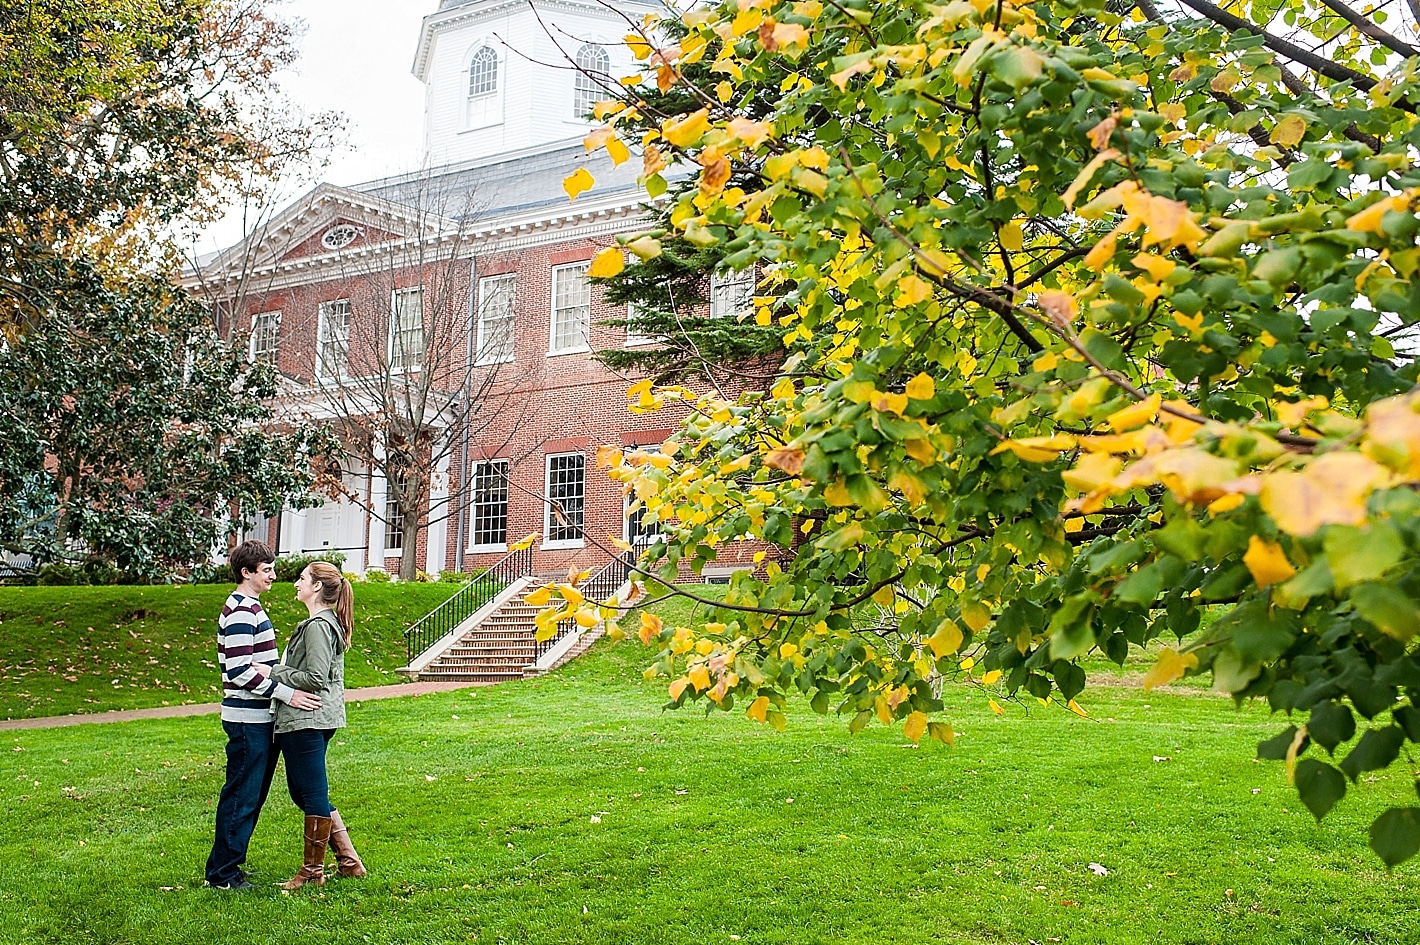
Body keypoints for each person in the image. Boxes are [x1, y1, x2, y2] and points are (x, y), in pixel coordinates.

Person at [205, 540, 322, 891]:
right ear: (247, 572)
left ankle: (230, 866)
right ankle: (222, 875)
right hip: (246, 720)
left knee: (250, 796)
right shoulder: (242, 610)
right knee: (241, 795)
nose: (273, 575)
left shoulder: (250, 607)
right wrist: (288, 693)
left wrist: (274, 673)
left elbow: (258, 666)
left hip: (258, 718)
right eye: (266, 569)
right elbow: (240, 671)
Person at [269, 560, 365, 889]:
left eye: (301, 579)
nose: (296, 583)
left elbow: (315, 677)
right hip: (310, 719)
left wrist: (273, 671)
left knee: (311, 793)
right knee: (303, 791)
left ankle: (312, 872)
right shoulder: (321, 623)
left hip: (307, 720)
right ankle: (349, 862)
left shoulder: (318, 626)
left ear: (317, 587)